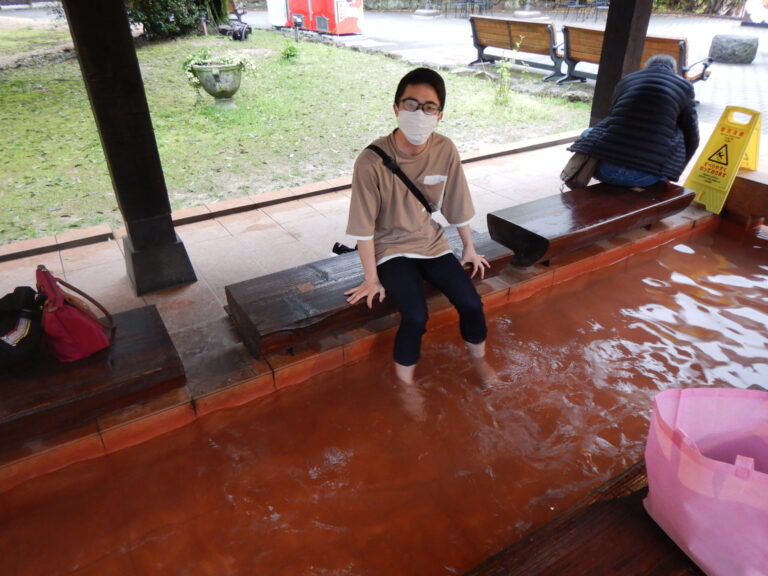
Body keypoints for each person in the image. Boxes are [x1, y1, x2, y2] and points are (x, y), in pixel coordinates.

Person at [344, 67, 489, 385]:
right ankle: (407, 388)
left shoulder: (445, 149)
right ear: (396, 109)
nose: (419, 113)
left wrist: (470, 248)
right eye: (410, 104)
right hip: (389, 248)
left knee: (471, 304)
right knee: (415, 316)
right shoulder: (370, 161)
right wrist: (371, 279)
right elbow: (363, 227)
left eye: (429, 107)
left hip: (431, 242)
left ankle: (480, 364)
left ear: (439, 115)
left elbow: (457, 202)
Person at [568, 54, 700, 188]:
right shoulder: (685, 87)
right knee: (679, 132)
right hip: (646, 177)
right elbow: (692, 138)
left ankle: (578, 174)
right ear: (674, 70)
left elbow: (612, 117)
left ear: (646, 67)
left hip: (603, 171)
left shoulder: (627, 80)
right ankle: (657, 178)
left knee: (589, 132)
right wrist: (673, 174)